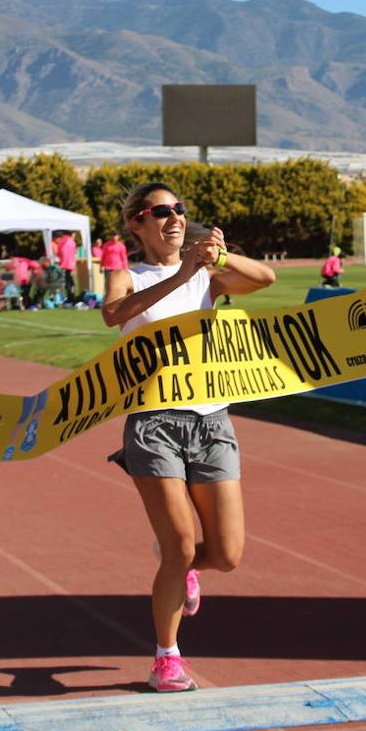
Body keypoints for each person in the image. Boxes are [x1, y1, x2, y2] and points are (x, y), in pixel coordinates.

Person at [102, 182, 275, 693]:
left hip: (212, 422)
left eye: (179, 209)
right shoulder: (127, 275)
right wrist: (183, 272)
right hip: (153, 424)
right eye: (161, 211)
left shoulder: (209, 276)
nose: (174, 217)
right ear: (137, 224)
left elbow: (264, 279)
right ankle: (166, 658)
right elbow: (116, 314)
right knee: (179, 545)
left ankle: (183, 568)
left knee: (226, 553)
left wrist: (219, 257)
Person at [54, 231, 77, 301]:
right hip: (72, 264)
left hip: (64, 264)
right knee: (71, 282)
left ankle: (69, 297)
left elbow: (58, 253)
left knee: (67, 283)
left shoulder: (61, 242)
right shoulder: (72, 242)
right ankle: (72, 296)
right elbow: (74, 253)